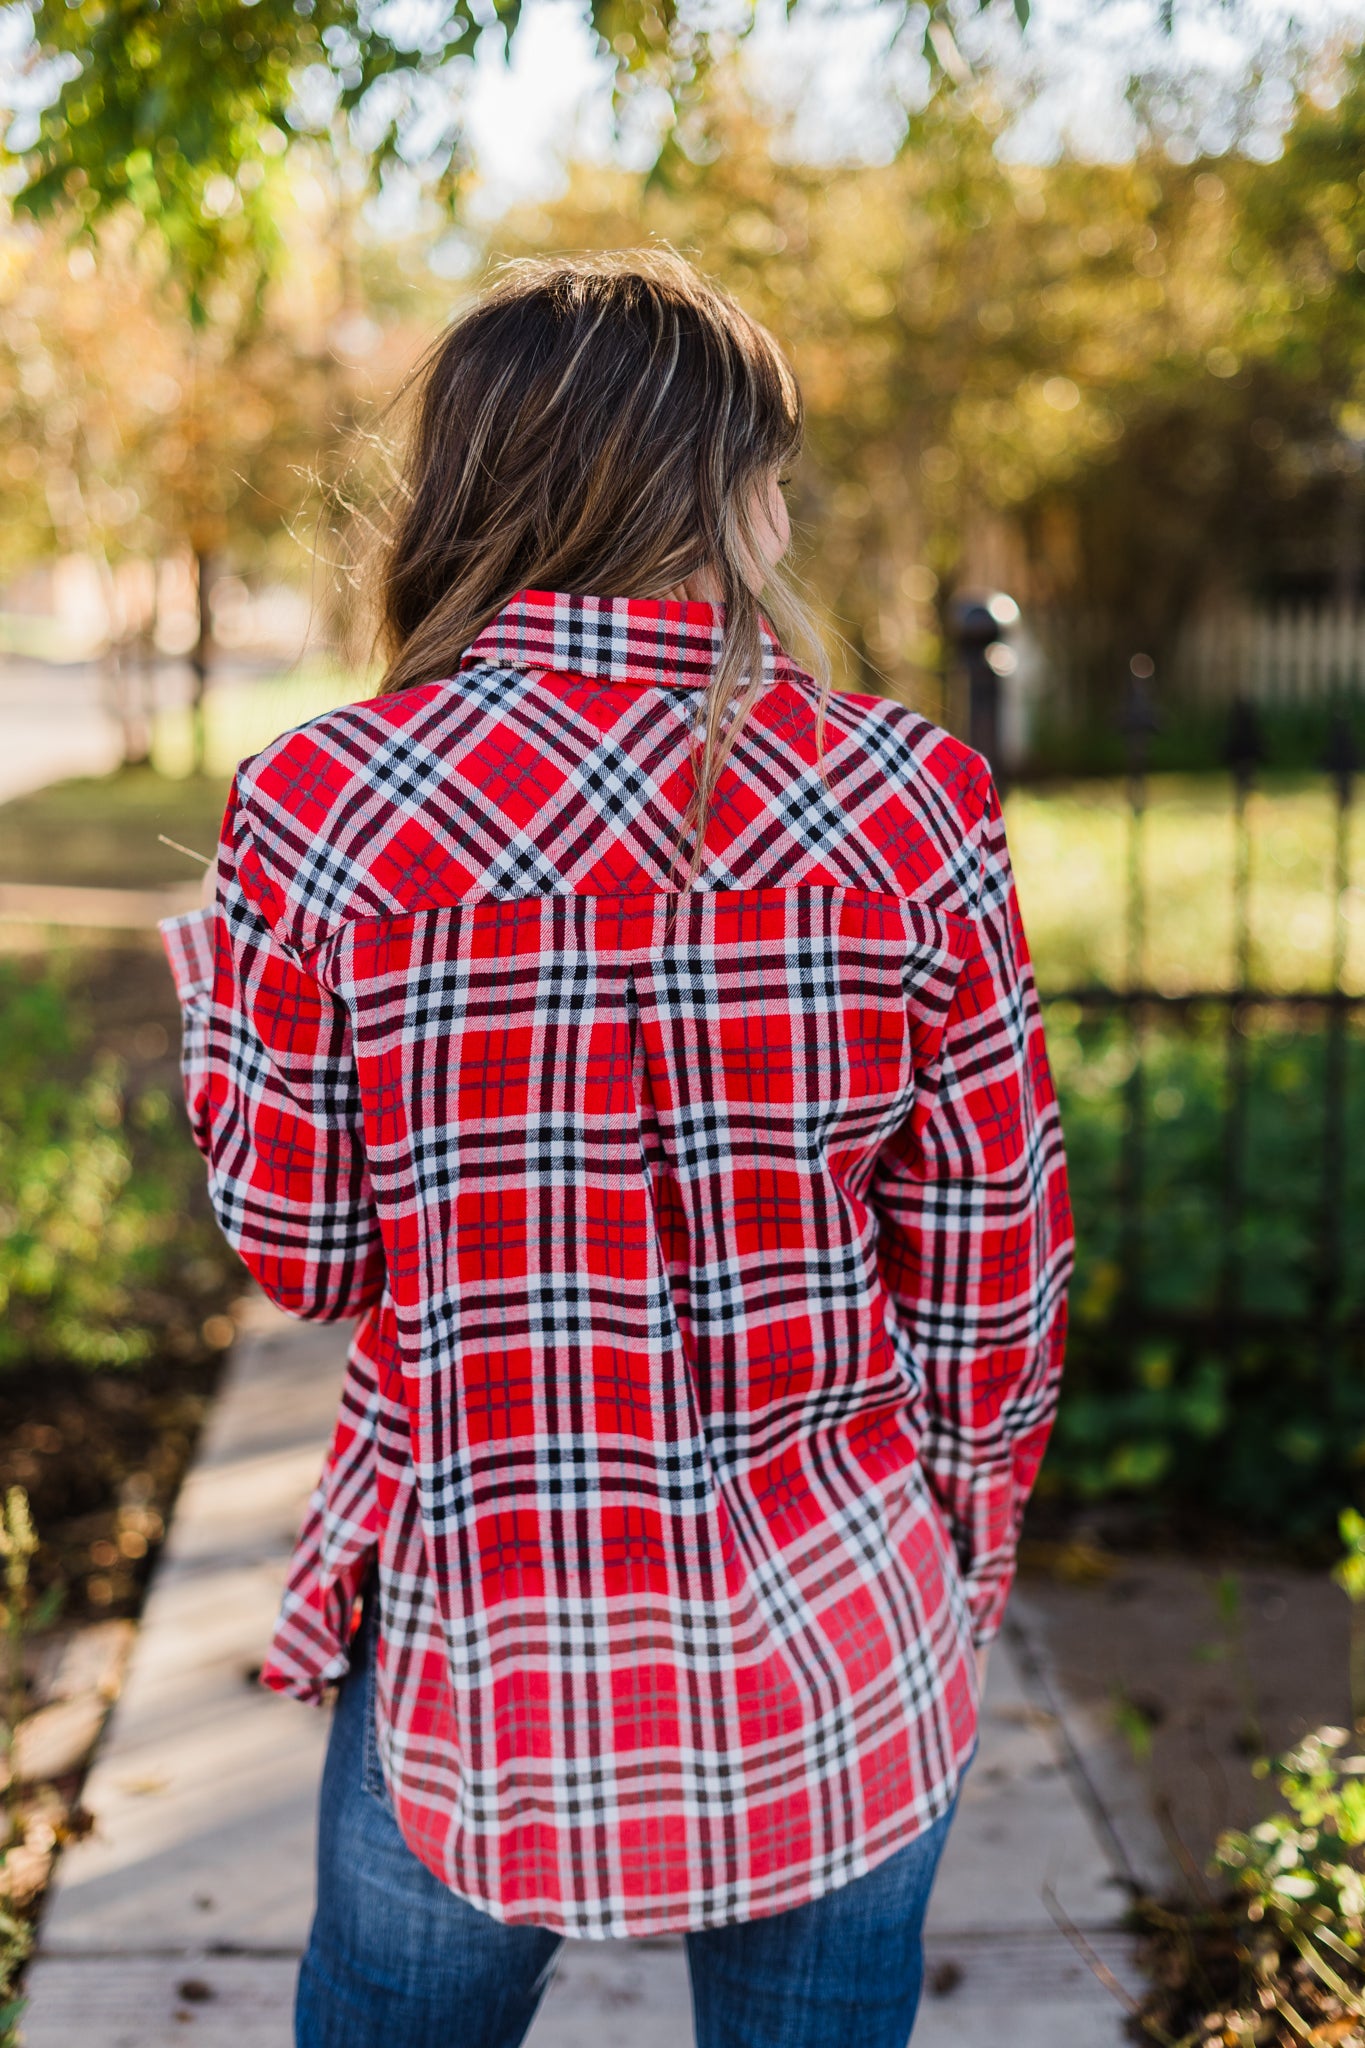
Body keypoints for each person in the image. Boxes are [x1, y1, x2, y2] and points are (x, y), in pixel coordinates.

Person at [160, 250, 1073, 2048]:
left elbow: (306, 1249)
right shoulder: (908, 798)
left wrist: (221, 989)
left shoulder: (325, 804)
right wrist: (961, 1538)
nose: (783, 513)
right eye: (772, 472)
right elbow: (991, 1256)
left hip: (487, 1628)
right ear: (712, 489)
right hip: (839, 1603)